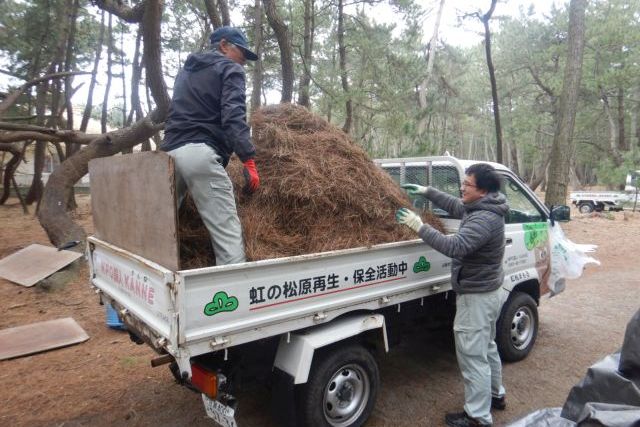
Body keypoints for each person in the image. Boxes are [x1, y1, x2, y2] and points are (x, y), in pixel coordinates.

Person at [396, 163, 509, 427]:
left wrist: (419, 226)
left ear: (481, 190)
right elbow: (457, 206)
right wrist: (428, 191)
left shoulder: (484, 219)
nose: (461, 187)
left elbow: (454, 246)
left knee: (473, 354)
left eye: (467, 184)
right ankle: (495, 395)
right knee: (487, 346)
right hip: (488, 290)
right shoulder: (485, 205)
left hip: (477, 297)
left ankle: (478, 416)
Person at [161, 26, 259, 265]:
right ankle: (234, 294)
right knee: (227, 234)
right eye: (241, 52)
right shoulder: (230, 69)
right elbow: (233, 117)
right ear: (224, 45)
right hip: (199, 155)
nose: (244, 60)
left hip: (167, 156)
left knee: (160, 228)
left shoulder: (185, 73)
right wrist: (248, 159)